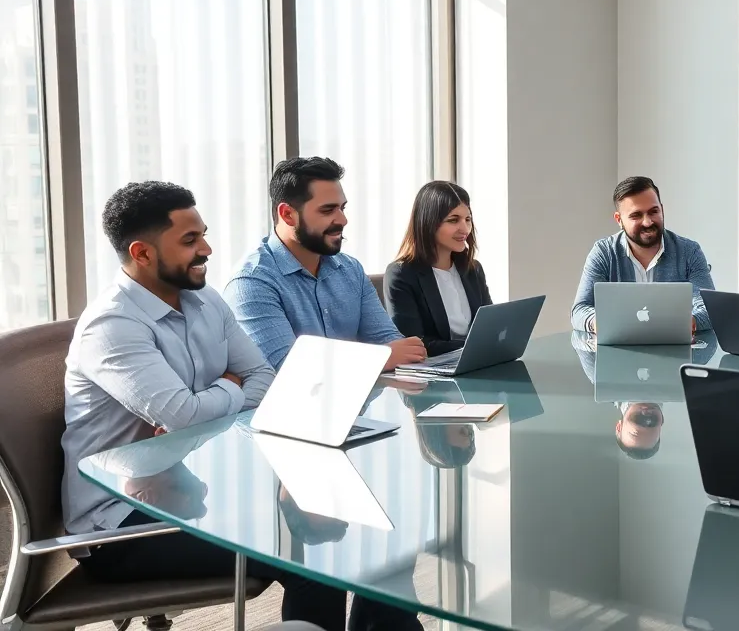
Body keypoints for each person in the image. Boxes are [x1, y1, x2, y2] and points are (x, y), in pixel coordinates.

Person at [62, 182, 347, 629]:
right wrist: (227, 387)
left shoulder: (205, 299)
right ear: (142, 253)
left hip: (194, 487)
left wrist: (204, 402)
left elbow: (264, 379)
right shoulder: (112, 326)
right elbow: (185, 415)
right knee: (311, 558)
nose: (207, 249)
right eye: (190, 240)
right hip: (123, 525)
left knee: (327, 520)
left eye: (204, 235)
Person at [224, 157, 427, 371]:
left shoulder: (351, 269)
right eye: (328, 210)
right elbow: (288, 370)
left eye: (342, 208)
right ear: (287, 214)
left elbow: (396, 347)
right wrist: (379, 358)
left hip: (362, 392)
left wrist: (381, 356)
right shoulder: (251, 282)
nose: (343, 220)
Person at [571, 176, 715, 333]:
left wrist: (688, 322)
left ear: (662, 210)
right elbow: (580, 309)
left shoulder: (689, 252)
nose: (648, 222)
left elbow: (709, 308)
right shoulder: (604, 253)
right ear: (619, 219)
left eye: (654, 212)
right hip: (618, 346)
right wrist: (598, 322)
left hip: (675, 345)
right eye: (636, 215)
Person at [384, 180, 493, 356]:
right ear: (428, 223)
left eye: (467, 219)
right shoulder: (401, 274)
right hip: (434, 368)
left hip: (477, 361)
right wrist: (474, 346)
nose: (465, 229)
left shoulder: (473, 269)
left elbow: (489, 326)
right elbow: (416, 344)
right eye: (453, 220)